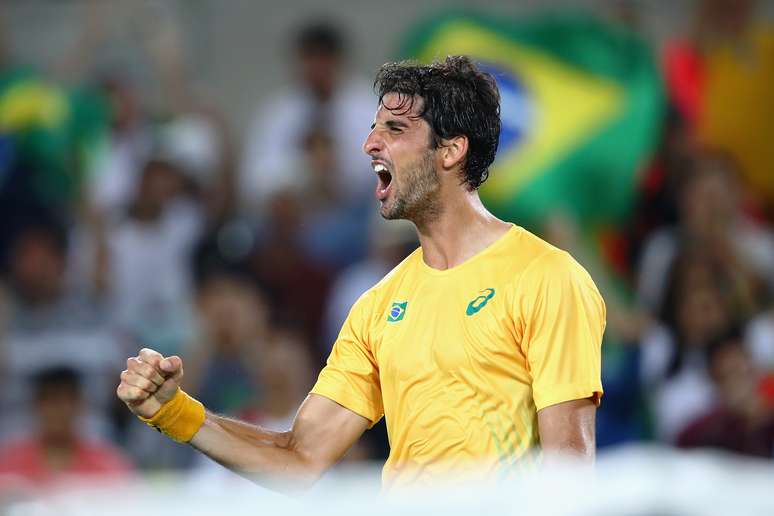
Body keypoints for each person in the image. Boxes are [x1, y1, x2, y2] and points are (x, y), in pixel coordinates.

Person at [117, 56, 605, 491]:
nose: (370, 143)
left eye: (394, 129)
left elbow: (568, 474)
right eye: (374, 128)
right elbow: (299, 458)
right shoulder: (375, 308)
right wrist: (175, 412)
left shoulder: (548, 279)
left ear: (451, 150)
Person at [0, 367, 133, 489]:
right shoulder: (9, 465)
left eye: (66, 401)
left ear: (80, 405)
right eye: (51, 401)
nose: (59, 411)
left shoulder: (108, 464)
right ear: (36, 405)